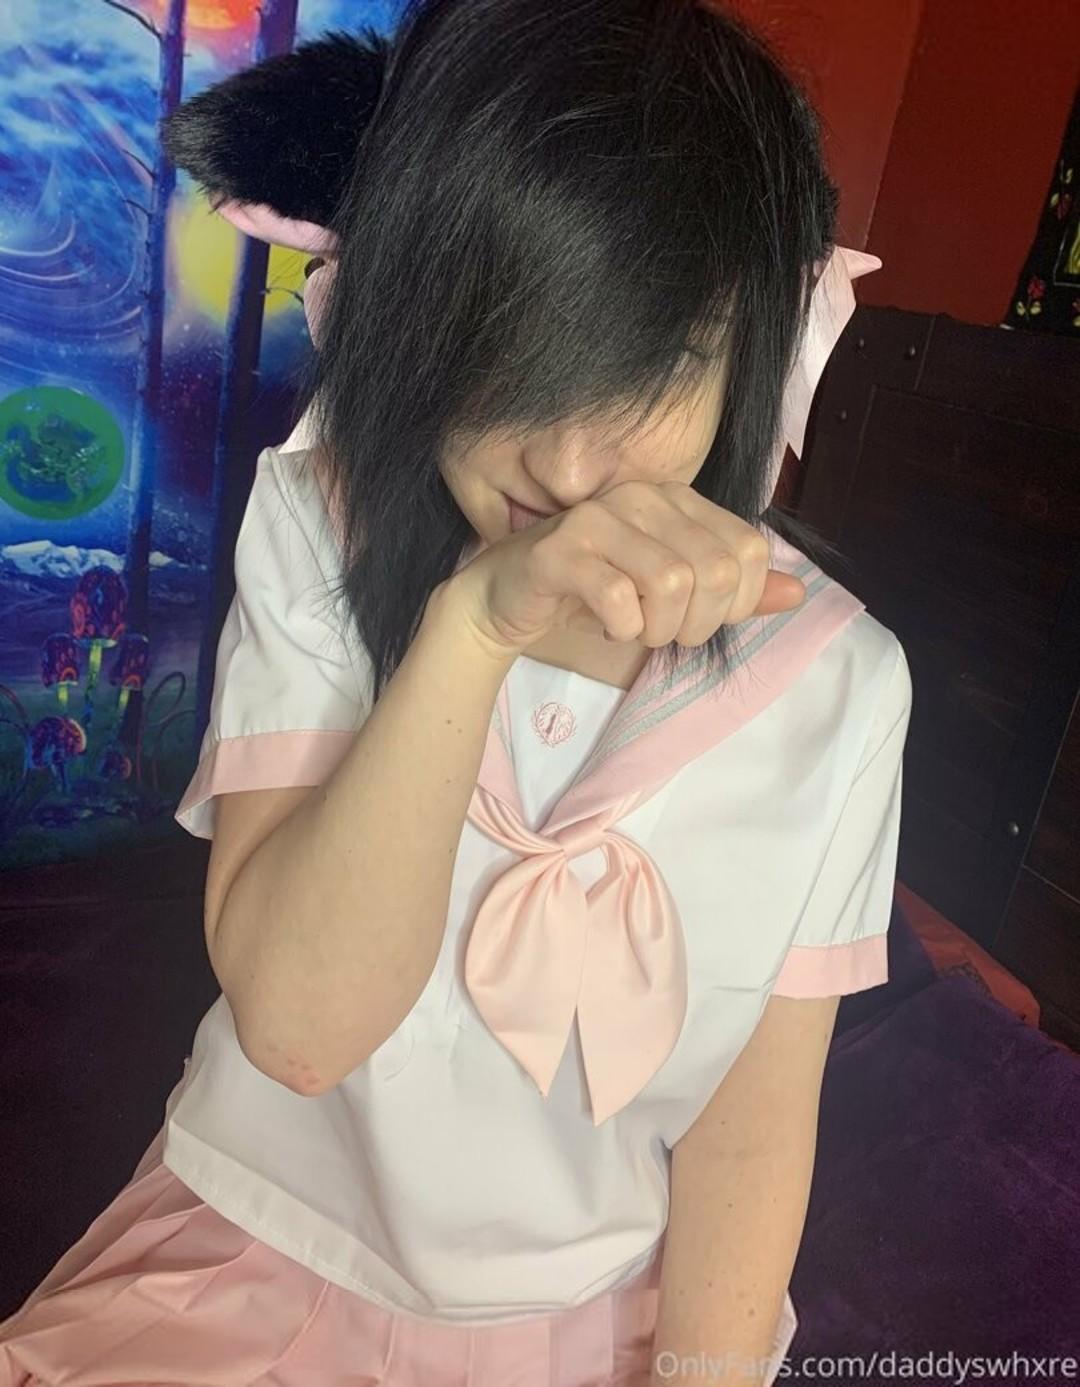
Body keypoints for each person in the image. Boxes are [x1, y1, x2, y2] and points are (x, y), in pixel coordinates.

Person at [0, 2, 911, 1383]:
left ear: (750, 352)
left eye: (654, 361)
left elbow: (753, 1129)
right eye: (508, 351)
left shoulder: (840, 687)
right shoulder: (321, 524)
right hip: (264, 1245)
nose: (569, 459)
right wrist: (474, 629)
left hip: (588, 1318)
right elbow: (298, 1032)